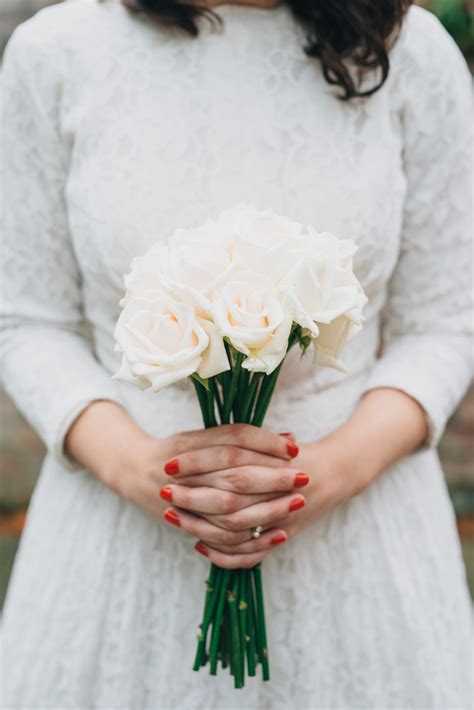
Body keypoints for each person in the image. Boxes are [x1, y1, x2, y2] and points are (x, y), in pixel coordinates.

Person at [1, 0, 472, 707]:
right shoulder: (56, 52)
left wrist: (329, 472)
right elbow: (25, 320)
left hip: (359, 533)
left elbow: (447, 321)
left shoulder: (411, 49)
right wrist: (142, 470)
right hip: (121, 536)